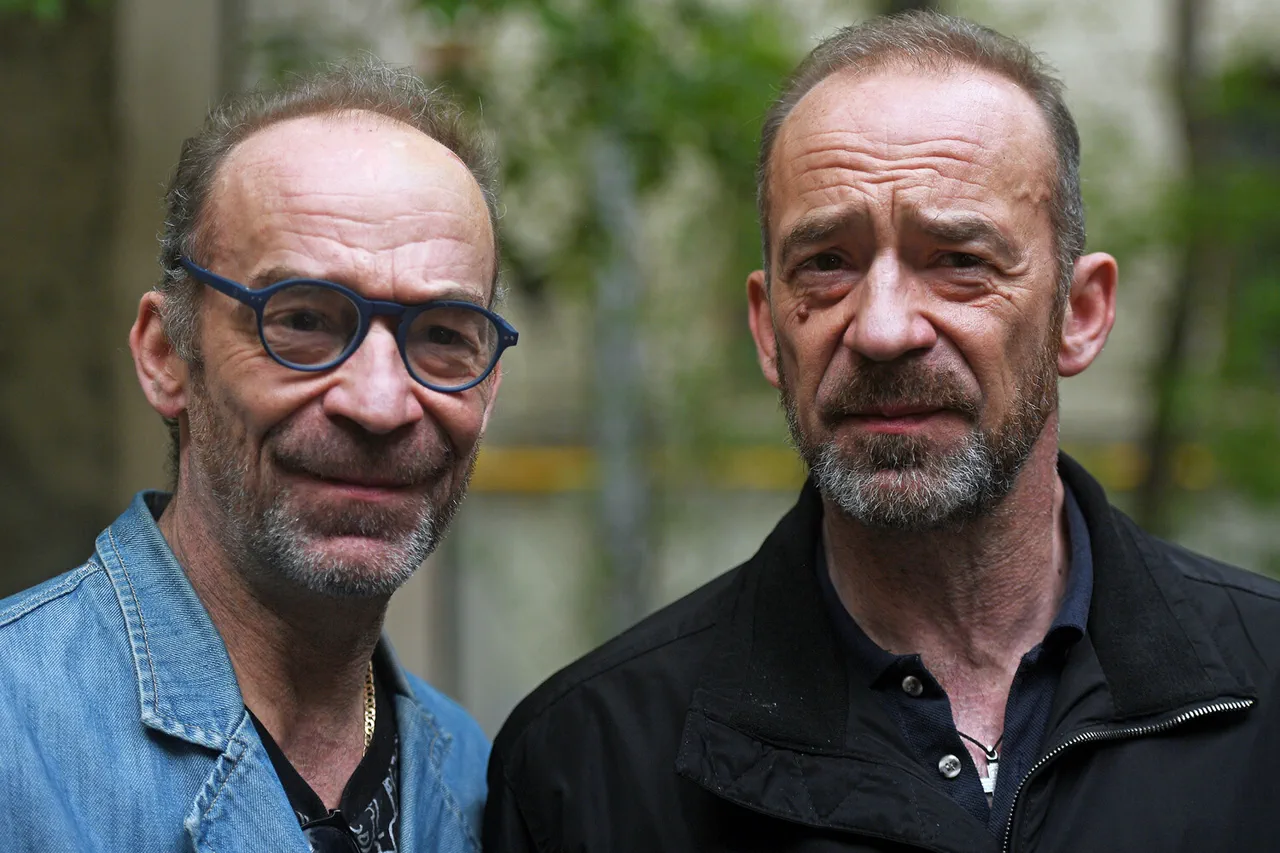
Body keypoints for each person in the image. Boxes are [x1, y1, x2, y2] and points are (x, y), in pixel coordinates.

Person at [483, 12, 1280, 852]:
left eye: (959, 260)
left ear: (1078, 315)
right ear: (767, 329)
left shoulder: (1264, 696)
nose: (884, 328)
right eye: (827, 263)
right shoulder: (588, 767)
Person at [0, 59, 516, 853]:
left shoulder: (475, 778)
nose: (380, 403)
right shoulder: (16, 733)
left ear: (489, 385)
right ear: (166, 355)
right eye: (303, 319)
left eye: (444, 334)